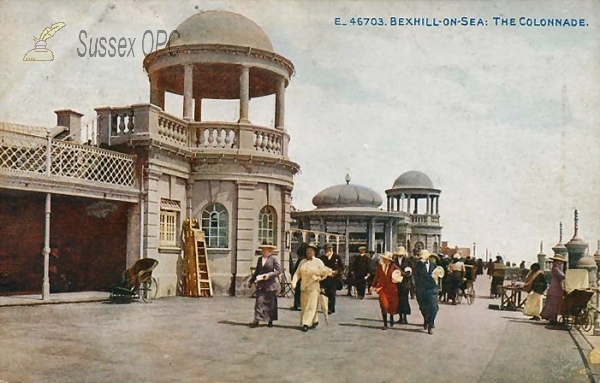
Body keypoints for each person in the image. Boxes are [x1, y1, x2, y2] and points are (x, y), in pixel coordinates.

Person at [291, 243, 333, 332]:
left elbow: (325, 273)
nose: (309, 252)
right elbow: (297, 273)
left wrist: (318, 278)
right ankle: (314, 320)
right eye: (307, 250)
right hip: (303, 287)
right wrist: (294, 282)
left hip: (313, 287)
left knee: (311, 305)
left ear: (314, 252)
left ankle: (306, 323)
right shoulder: (302, 262)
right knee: (304, 305)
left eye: (311, 250)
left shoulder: (318, 262)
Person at [248, 243, 281, 328]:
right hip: (261, 284)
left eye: (265, 250)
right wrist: (251, 281)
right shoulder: (259, 259)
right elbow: (257, 272)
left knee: (271, 303)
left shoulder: (273, 259)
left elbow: (278, 271)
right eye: (263, 250)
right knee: (259, 301)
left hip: (271, 284)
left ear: (270, 251)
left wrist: (269, 275)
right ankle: (257, 320)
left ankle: (270, 320)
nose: (264, 252)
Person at [369, 251, 400, 330]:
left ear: (389, 260)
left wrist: (399, 277)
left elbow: (400, 274)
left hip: (392, 289)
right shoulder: (380, 266)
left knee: (391, 306)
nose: (384, 260)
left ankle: (391, 317)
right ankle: (385, 323)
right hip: (382, 289)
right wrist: (372, 286)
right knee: (383, 305)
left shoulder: (394, 266)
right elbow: (376, 277)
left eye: (385, 259)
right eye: (383, 258)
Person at [415, 250, 441, 335]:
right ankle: (426, 319)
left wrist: (438, 287)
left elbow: (439, 276)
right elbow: (415, 277)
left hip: (432, 289)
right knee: (423, 308)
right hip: (421, 290)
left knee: (434, 308)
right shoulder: (418, 265)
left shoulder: (434, 265)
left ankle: (430, 324)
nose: (422, 260)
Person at [541, 254, 566, 325]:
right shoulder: (555, 268)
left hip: (556, 289)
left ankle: (553, 319)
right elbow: (562, 276)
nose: (561, 263)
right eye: (560, 261)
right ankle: (553, 319)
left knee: (554, 305)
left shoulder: (556, 268)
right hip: (555, 289)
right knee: (553, 305)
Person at [319, 243, 344, 314]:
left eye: (330, 249)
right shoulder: (322, 258)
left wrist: (337, 271)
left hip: (334, 278)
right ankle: (327, 307)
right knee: (326, 293)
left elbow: (341, 267)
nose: (329, 250)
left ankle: (331, 308)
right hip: (325, 278)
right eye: (327, 249)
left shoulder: (336, 257)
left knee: (332, 293)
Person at [290, 242, 308, 311]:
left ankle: (297, 305)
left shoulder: (300, 260)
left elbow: (295, 270)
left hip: (300, 277)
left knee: (298, 291)